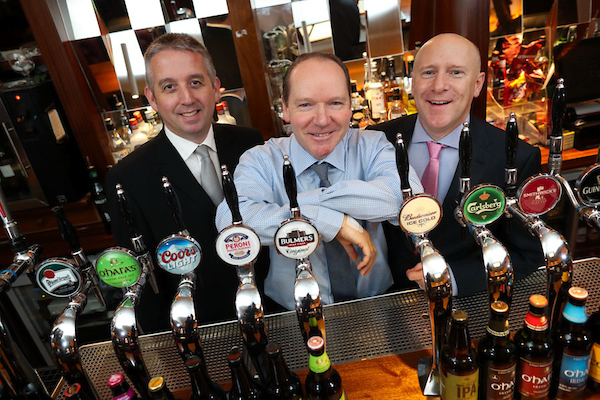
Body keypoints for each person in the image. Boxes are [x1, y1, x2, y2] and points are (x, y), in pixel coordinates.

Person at [215, 52, 422, 310]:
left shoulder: (372, 145)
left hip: (379, 302)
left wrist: (302, 204)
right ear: (285, 109)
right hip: (292, 311)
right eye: (305, 105)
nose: (322, 120)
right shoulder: (261, 159)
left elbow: (408, 199)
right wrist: (332, 223)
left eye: (335, 103)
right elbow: (231, 224)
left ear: (350, 105)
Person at [106, 33, 266, 333]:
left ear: (216, 88)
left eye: (196, 82)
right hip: (199, 329)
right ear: (152, 98)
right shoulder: (127, 178)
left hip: (270, 308)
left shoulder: (251, 142)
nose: (187, 99)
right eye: (169, 87)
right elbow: (142, 281)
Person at [368, 33, 544, 295]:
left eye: (455, 72)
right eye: (428, 72)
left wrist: (454, 276)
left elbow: (528, 253)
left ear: (477, 83)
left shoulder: (517, 157)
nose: (439, 85)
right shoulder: (375, 141)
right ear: (413, 82)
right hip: (385, 303)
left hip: (468, 305)